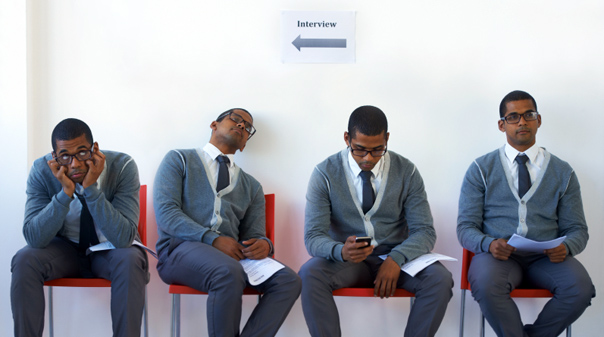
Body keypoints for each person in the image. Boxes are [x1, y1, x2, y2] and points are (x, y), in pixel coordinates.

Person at [299, 105, 453, 337]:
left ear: (387, 139)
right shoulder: (325, 173)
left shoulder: (407, 171)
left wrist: (396, 259)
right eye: (359, 150)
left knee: (440, 280)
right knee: (309, 274)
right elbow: (313, 237)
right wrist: (341, 251)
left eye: (378, 149)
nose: (368, 158)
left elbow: (425, 231)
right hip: (349, 262)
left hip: (396, 259)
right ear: (346, 138)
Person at [457, 90, 595, 336]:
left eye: (529, 115)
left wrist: (568, 246)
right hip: (497, 258)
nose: (522, 121)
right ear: (502, 125)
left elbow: (578, 230)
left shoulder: (563, 172)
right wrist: (489, 244)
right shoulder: (481, 169)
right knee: (487, 285)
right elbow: (465, 228)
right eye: (513, 117)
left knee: (580, 288)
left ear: (538, 120)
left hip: (546, 258)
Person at [154, 108, 301, 337]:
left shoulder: (252, 186)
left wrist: (264, 244)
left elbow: (254, 233)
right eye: (236, 119)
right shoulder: (179, 159)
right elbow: (167, 214)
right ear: (214, 125)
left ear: (244, 145)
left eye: (248, 127)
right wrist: (213, 240)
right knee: (227, 272)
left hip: (230, 259)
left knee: (289, 281)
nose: (242, 126)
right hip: (178, 251)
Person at [11, 118, 148, 337]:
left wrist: (91, 189)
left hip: (109, 248)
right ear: (55, 157)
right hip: (64, 250)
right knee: (24, 259)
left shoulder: (122, 166)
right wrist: (64, 193)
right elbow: (34, 237)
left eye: (82, 153)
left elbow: (123, 238)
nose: (74, 164)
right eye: (65, 156)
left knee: (131, 259)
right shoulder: (41, 169)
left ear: (95, 149)